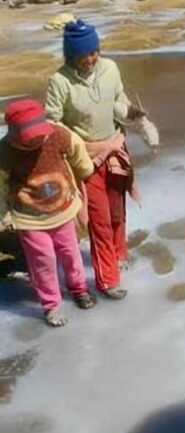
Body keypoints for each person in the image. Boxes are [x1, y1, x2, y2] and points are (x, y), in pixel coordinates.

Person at [45, 19, 146, 299]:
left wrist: (134, 115)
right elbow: (53, 122)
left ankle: (118, 253)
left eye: (94, 52)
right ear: (70, 54)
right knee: (98, 219)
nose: (91, 59)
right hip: (84, 159)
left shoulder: (110, 68)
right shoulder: (60, 81)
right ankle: (108, 280)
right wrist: (82, 146)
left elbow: (118, 101)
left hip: (116, 149)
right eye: (83, 54)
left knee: (117, 211)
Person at [0, 99, 97, 327]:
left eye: (38, 135)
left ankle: (79, 288)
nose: (36, 141)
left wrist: (85, 169)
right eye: (29, 139)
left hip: (62, 209)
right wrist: (4, 215)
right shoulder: (4, 151)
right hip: (29, 217)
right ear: (14, 136)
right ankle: (51, 304)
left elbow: (76, 149)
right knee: (43, 260)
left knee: (70, 252)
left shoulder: (59, 134)